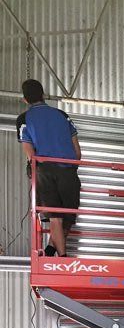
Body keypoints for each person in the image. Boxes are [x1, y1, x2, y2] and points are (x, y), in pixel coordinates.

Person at [16, 79, 81, 256]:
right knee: (68, 215)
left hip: (45, 171)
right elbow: (77, 151)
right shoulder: (62, 115)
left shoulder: (23, 119)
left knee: (55, 217)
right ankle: (53, 250)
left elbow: (30, 154)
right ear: (43, 95)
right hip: (69, 169)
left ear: (25, 100)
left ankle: (61, 257)